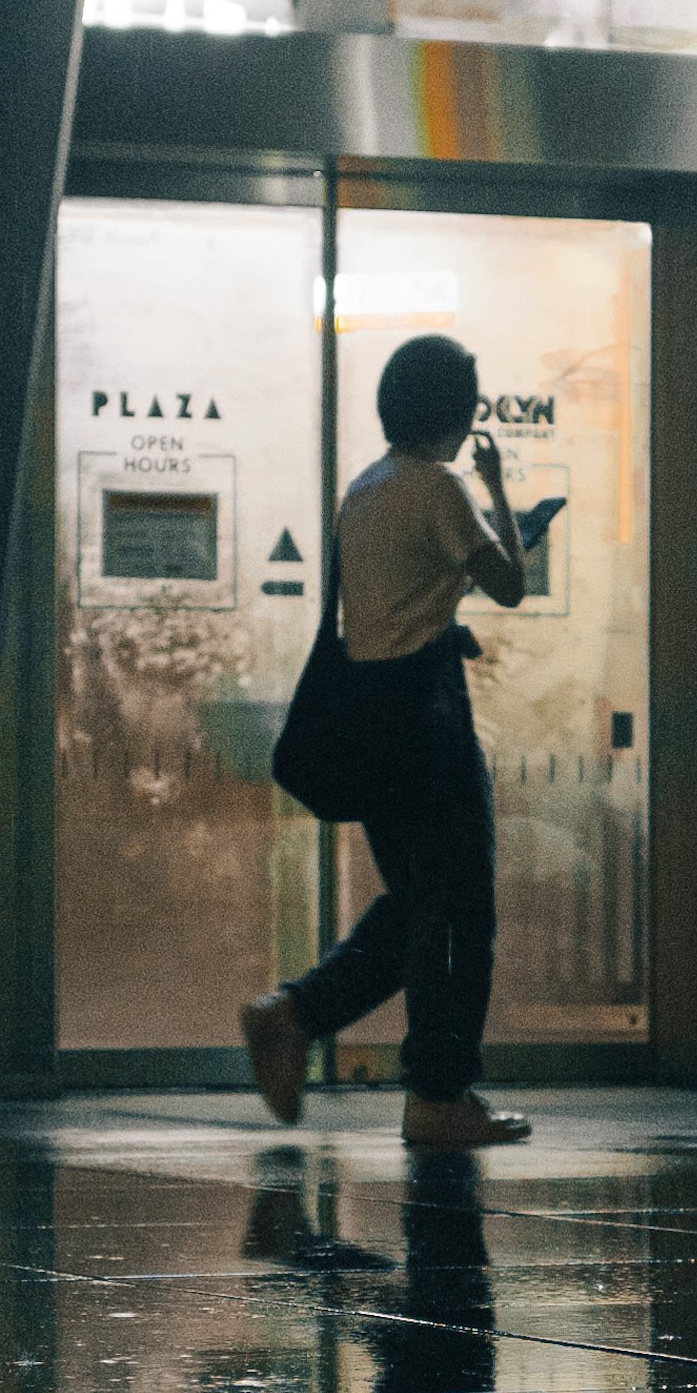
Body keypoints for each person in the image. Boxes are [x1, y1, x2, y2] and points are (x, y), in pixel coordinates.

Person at [241, 330, 532, 1151]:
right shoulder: (441, 486)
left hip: (375, 718)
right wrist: (499, 490)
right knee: (459, 910)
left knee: (421, 905)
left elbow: (392, 607)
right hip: (429, 725)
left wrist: (447, 626)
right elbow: (509, 581)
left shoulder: (365, 490)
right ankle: (438, 1094)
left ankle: (295, 1014)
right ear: (459, 409)